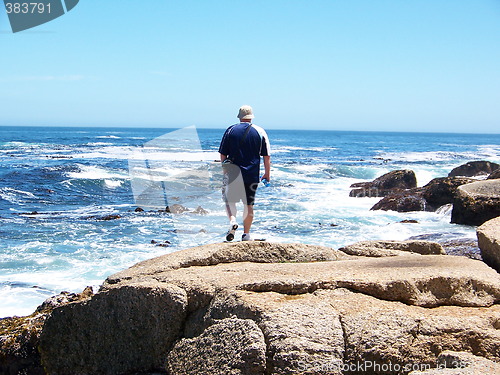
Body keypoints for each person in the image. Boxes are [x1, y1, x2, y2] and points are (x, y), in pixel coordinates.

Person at [219, 105, 271, 241]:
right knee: (248, 205)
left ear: (239, 117)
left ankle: (232, 221)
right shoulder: (260, 131)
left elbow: (223, 153)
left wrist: (224, 170)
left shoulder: (230, 130)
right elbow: (266, 156)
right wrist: (267, 174)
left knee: (230, 201)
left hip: (232, 172)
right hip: (252, 174)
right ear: (251, 117)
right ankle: (246, 235)